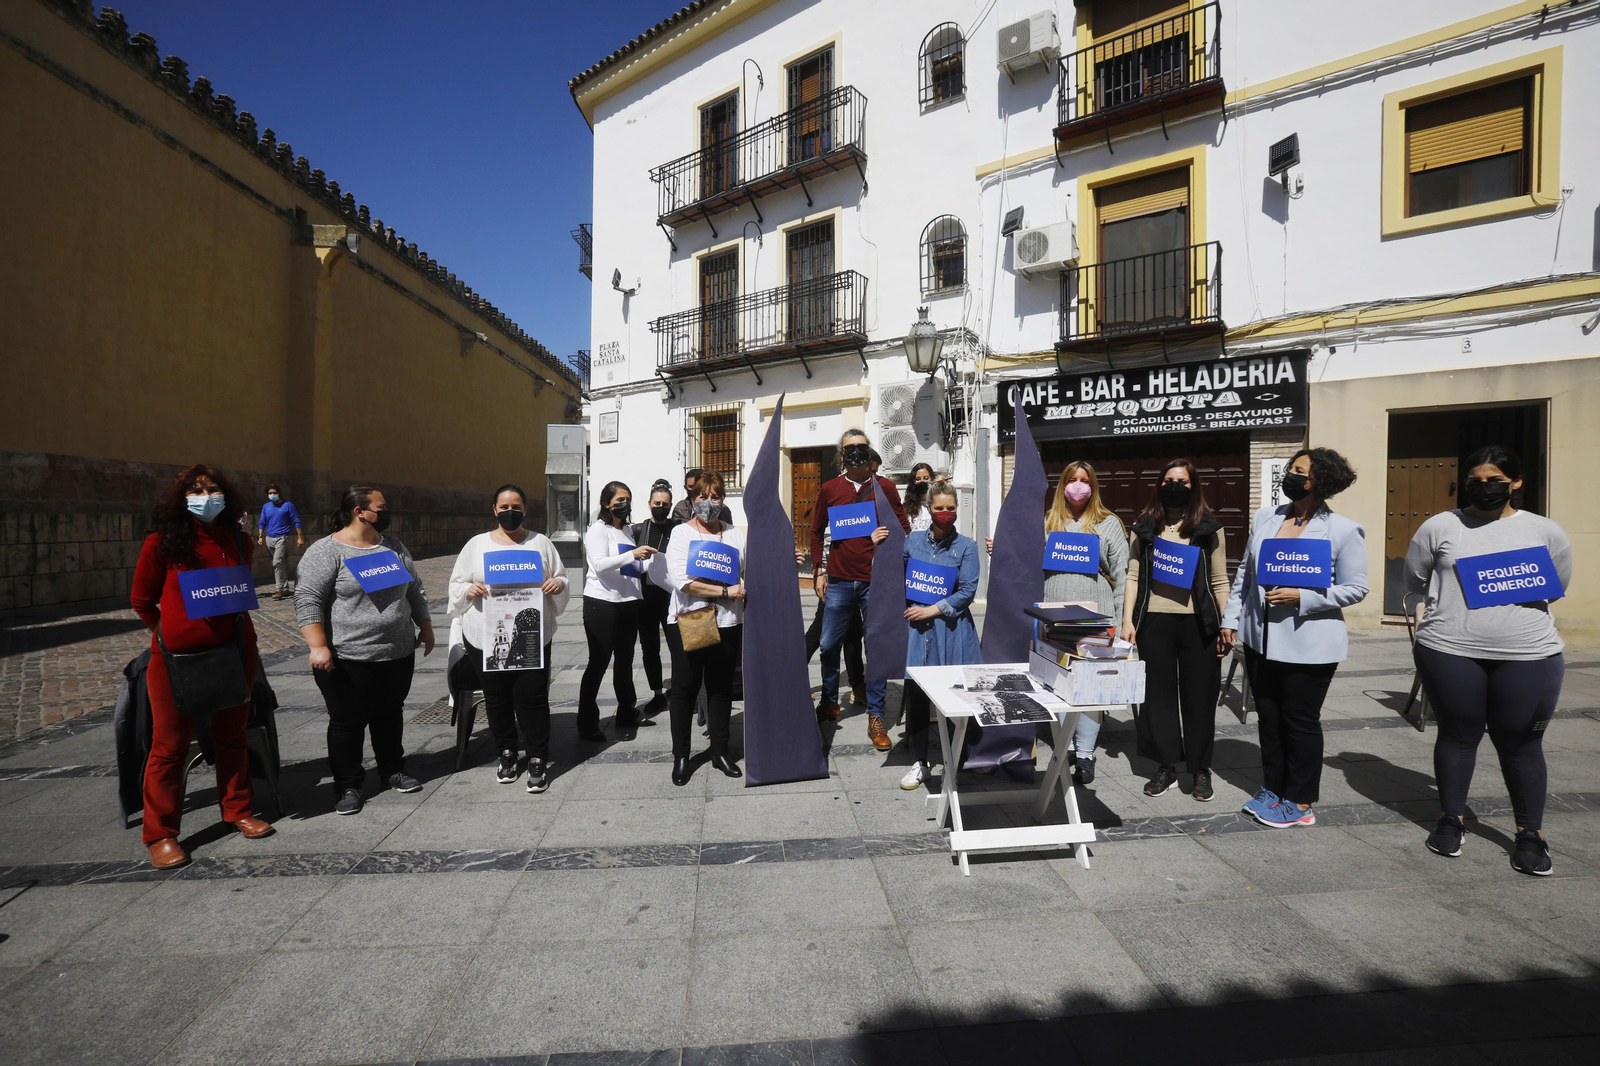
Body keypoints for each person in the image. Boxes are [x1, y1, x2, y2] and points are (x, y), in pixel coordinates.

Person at [1406, 445, 1572, 875]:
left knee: (1521, 743)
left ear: (1516, 482)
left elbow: (1555, 586)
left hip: (1529, 654)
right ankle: (1451, 818)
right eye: (1475, 479)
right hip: (1449, 651)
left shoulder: (1545, 531)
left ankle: (1530, 834)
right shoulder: (1440, 526)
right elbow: (1415, 577)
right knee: (1458, 736)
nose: (1484, 487)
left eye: (1495, 480)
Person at [131, 464, 274, 868]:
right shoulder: (162, 543)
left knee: (232, 736)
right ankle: (161, 834)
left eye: (213, 489)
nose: (205, 497)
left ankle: (238, 810)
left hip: (234, 652)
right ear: (181, 499)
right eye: (196, 490)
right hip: (176, 659)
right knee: (170, 747)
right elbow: (142, 601)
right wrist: (172, 630)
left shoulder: (237, 541)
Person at [1221, 449, 1368, 829]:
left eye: (1299, 471)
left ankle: (1301, 801)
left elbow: (1356, 588)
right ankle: (1273, 787)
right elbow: (1245, 575)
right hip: (1261, 640)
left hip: (1310, 645)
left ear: (1320, 481)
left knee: (1299, 721)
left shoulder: (1343, 530)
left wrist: (1304, 597)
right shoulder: (1265, 517)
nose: (1291, 475)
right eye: (1291, 469)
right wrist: (1232, 618)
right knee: (1268, 718)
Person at [295, 485, 433, 816]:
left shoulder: (393, 546)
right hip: (348, 656)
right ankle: (348, 784)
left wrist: (424, 625)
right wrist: (318, 646)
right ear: (360, 511)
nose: (387, 514)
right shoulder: (326, 552)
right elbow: (308, 599)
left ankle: (391, 770)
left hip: (397, 652)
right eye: (381, 508)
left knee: (390, 713)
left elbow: (414, 587)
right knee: (347, 722)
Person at [448, 484, 570, 792]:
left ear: (525, 509)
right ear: (494, 510)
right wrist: (467, 590)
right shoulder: (476, 545)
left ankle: (538, 756)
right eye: (504, 507)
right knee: (497, 697)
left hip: (531, 633)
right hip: (484, 635)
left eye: (516, 506)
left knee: (532, 695)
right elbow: (457, 583)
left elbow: (561, 576)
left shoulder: (540, 543)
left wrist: (557, 583)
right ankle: (506, 751)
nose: (510, 511)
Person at [1122, 459, 1230, 801]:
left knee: (1200, 698)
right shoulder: (1145, 527)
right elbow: (1133, 576)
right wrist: (1128, 621)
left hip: (1198, 624)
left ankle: (1200, 769)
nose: (1175, 486)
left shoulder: (1208, 529)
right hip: (1155, 622)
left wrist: (1227, 624)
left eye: (1182, 481)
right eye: (1169, 480)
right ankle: (1166, 765)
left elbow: (1219, 580)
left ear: (1193, 486)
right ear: (1159, 484)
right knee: (1159, 698)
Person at [808, 429, 910, 750]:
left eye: (861, 447)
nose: (855, 452)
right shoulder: (830, 489)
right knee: (827, 645)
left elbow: (904, 530)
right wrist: (818, 570)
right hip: (838, 580)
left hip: (875, 582)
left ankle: (876, 716)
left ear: (869, 452)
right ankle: (828, 701)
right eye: (849, 448)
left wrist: (888, 543)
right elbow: (815, 531)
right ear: (841, 454)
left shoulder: (886, 488)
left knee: (875, 647)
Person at [1042, 461, 1129, 785]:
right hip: (1056, 617)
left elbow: (1122, 575)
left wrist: (1121, 621)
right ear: (1062, 484)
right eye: (1072, 480)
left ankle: (1086, 754)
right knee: (1060, 683)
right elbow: (1027, 563)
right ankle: (1063, 747)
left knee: (1090, 687)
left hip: (1096, 616)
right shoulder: (1048, 523)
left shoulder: (1108, 524)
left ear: (1093, 485)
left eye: (1085, 480)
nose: (1078, 485)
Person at [661, 471, 747, 785]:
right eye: (702, 496)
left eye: (715, 497)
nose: (708, 503)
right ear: (692, 498)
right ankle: (681, 756)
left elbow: (747, 572)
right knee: (684, 689)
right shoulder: (682, 533)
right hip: (693, 619)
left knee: (721, 688)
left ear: (722, 499)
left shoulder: (734, 533)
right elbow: (682, 582)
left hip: (727, 623)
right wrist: (725, 592)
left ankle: (720, 751)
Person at [899, 483, 982, 790]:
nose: (945, 514)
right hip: (919, 634)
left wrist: (932, 610)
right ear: (929, 509)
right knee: (918, 699)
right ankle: (921, 763)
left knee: (951, 698)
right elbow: (899, 578)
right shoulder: (913, 541)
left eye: (950, 508)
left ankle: (952, 762)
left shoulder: (967, 546)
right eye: (939, 508)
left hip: (952, 631)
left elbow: (967, 592)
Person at [581, 481, 653, 740]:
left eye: (628, 499)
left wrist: (649, 562)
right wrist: (634, 554)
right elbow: (600, 565)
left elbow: (629, 566)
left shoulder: (628, 531)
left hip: (628, 603)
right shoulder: (598, 530)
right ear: (606, 504)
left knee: (624, 661)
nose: (624, 504)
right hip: (602, 604)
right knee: (598, 663)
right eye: (620, 499)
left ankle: (626, 711)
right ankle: (587, 722)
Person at [631, 481, 680, 722]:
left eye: (665, 504)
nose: (661, 507)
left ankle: (681, 690)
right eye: (657, 503)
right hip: (646, 598)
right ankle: (658, 693)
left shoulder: (678, 529)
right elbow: (627, 563)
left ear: (671, 506)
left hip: (672, 597)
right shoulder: (638, 530)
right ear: (649, 504)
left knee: (677, 645)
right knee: (650, 648)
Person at [256, 483, 304, 599]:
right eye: (270, 493)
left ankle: (279, 589)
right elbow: (262, 522)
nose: (272, 495)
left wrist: (300, 537)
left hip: (282, 538)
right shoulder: (266, 507)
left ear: (279, 493)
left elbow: (296, 520)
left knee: (277, 562)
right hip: (269, 538)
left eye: (274, 493)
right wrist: (260, 536)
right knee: (279, 564)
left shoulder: (288, 505)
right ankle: (286, 588)